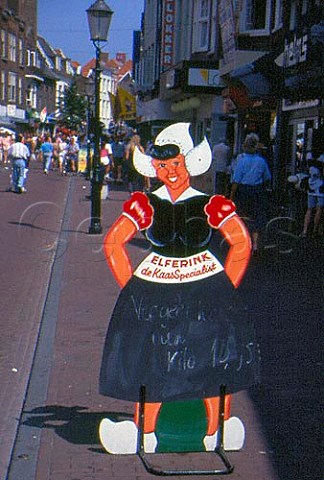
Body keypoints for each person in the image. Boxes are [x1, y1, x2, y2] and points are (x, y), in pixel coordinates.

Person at [98, 122, 260, 454]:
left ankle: (215, 431)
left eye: (175, 164)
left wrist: (224, 286)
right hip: (157, 291)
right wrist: (132, 287)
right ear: (153, 167)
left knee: (212, 358)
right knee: (154, 358)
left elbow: (241, 243)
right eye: (162, 165)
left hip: (204, 290)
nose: (170, 172)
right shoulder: (145, 203)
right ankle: (147, 433)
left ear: (188, 163)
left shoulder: (209, 203)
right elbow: (113, 242)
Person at [230, 133, 271, 254]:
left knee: (243, 216)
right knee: (257, 216)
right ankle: (256, 244)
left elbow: (236, 180)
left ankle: (245, 241)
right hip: (257, 191)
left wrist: (231, 196)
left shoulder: (241, 162)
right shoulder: (261, 161)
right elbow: (267, 177)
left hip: (244, 191)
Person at [300, 159, 324, 238]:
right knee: (319, 209)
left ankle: (305, 231)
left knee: (309, 209)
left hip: (311, 185)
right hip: (321, 186)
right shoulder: (322, 158)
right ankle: (315, 231)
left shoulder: (309, 158)